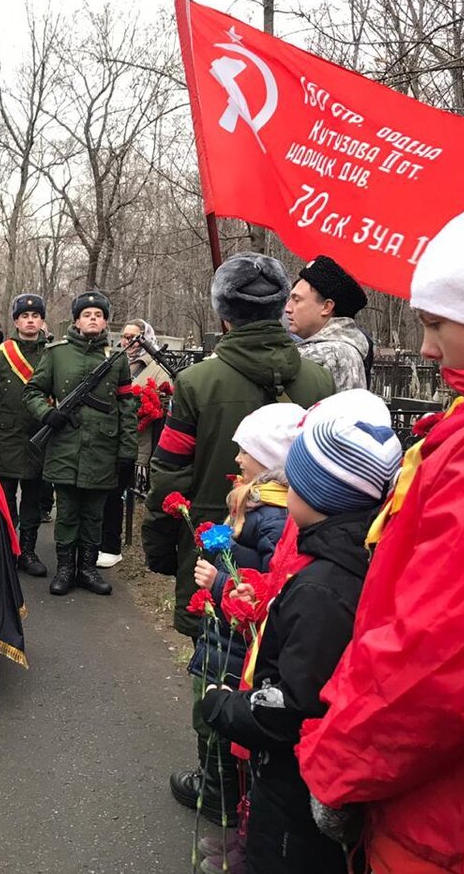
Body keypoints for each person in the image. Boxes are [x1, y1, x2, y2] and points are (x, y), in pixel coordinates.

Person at [296, 197, 464, 873]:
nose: (428, 349)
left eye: (437, 324)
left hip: (438, 812)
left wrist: (340, 765)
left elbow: (437, 652)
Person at [144, 253, 334, 813]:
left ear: (224, 315)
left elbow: (170, 471)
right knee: (278, 661)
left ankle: (220, 785)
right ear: (279, 308)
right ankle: (266, 785)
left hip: (214, 544)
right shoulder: (318, 379)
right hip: (299, 549)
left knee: (216, 661)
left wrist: (159, 541)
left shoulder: (198, 381)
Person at [202, 417, 401, 874]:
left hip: (294, 781)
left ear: (315, 494)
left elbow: (295, 704)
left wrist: (226, 709)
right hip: (296, 772)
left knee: (282, 854)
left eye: (294, 481)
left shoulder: (321, 588)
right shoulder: (339, 557)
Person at [180, 402, 304, 838]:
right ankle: (219, 790)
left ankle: (218, 800)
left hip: (235, 646)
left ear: (269, 457)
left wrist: (218, 585)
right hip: (224, 637)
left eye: (244, 451)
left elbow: (271, 588)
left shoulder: (272, 515)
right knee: (211, 714)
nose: (236, 459)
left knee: (217, 718)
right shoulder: (257, 502)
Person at [24, 290, 137, 597]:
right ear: (76, 320)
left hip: (103, 448)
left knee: (94, 514)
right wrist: (48, 415)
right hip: (65, 446)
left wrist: (128, 451)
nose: (92, 319)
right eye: (87, 315)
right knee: (69, 511)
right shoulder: (57, 353)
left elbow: (127, 407)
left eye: (98, 315)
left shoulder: (116, 361)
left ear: (105, 323)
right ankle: (65, 569)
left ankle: (87, 569)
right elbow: (32, 391)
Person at [0, 293, 50, 578]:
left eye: (35, 316)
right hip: (5, 437)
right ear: (16, 321)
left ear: (42, 320)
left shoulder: (52, 353)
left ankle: (28, 550)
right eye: (24, 316)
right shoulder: (0, 355)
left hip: (40, 436)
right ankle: (7, 548)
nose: (30, 321)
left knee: (33, 497)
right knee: (5, 498)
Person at [97, 318, 173, 569]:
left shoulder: (156, 366)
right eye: (125, 336)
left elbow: (165, 397)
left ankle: (111, 544)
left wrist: (146, 404)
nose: (127, 341)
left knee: (116, 492)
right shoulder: (114, 361)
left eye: (134, 337)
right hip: (108, 436)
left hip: (137, 438)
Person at [284, 256, 370, 391]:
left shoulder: (321, 356)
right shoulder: (348, 349)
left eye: (297, 300)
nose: (288, 308)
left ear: (326, 307)